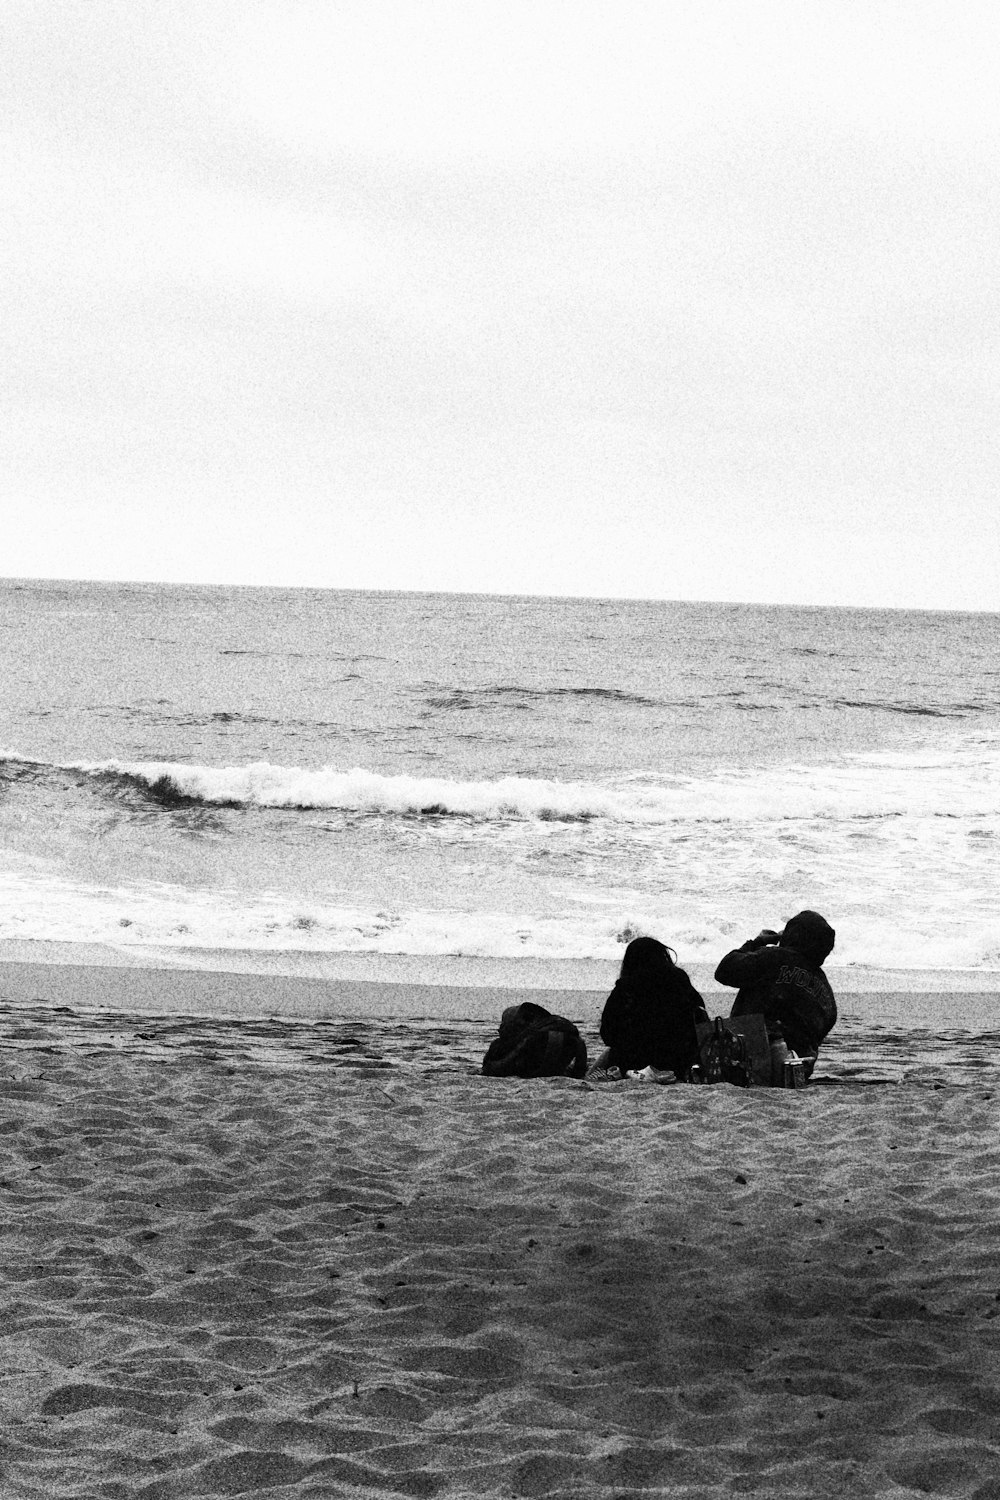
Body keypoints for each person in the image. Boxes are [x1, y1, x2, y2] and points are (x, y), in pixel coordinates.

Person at [714, 911, 837, 1083]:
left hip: (751, 1062)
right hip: (798, 1070)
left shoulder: (774, 958)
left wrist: (756, 942)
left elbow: (724, 970)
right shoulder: (826, 991)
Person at [596, 936, 709, 1080]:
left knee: (606, 1057)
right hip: (679, 1060)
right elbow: (700, 1015)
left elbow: (608, 1033)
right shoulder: (679, 980)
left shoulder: (625, 987)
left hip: (632, 1061)